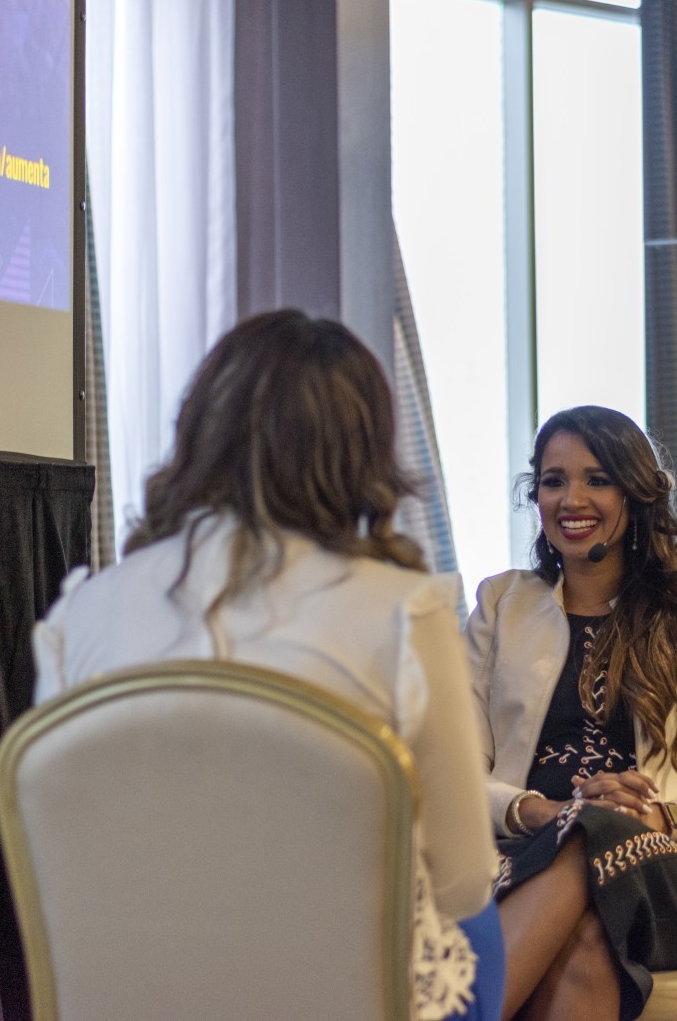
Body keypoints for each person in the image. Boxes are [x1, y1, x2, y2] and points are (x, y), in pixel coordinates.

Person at [32, 309, 504, 1021]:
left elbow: (62, 863)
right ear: (360, 456)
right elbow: (461, 879)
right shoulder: (405, 614)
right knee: (480, 923)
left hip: (140, 995)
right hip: (333, 996)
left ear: (199, 429)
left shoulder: (81, 615)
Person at [465, 405, 677, 1021]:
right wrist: (539, 810)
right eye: (553, 481)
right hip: (522, 855)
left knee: (593, 827)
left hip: (660, 869)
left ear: (634, 493)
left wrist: (663, 815)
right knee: (587, 943)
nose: (572, 499)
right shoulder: (500, 606)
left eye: (597, 479)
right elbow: (456, 773)